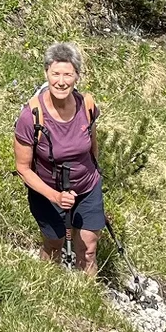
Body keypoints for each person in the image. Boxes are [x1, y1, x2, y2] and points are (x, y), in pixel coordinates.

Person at [13, 42, 105, 274]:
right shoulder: (32, 116)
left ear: (77, 76)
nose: (61, 81)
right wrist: (55, 196)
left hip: (87, 187)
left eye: (68, 74)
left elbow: (92, 143)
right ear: (46, 73)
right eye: (55, 74)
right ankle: (48, 290)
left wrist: (95, 176)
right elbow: (23, 168)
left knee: (89, 250)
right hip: (48, 192)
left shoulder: (87, 105)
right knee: (54, 245)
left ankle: (87, 301)